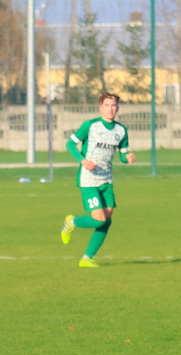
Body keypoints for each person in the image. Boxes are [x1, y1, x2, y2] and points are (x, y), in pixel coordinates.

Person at [60, 92, 136, 267]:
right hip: (88, 180)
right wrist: (83, 161)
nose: (111, 109)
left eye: (114, 105)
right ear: (101, 107)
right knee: (99, 219)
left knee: (107, 221)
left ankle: (87, 258)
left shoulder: (121, 130)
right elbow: (70, 144)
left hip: (107, 180)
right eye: (107, 105)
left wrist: (128, 158)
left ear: (118, 107)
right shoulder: (90, 126)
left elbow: (123, 155)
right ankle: (71, 222)